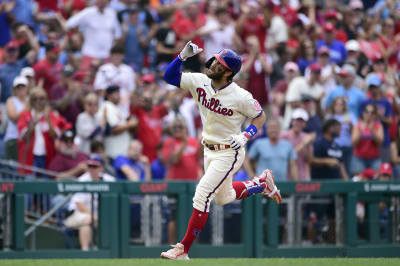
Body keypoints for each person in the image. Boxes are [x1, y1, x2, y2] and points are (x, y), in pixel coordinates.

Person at [161, 41, 281, 260]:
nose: (214, 63)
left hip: (229, 151)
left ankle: (182, 249)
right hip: (209, 150)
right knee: (224, 198)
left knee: (202, 194)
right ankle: (260, 184)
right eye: (215, 59)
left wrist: (246, 134)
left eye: (220, 62)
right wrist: (181, 57)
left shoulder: (240, 96)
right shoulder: (200, 81)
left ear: (228, 72)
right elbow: (169, 77)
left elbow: (260, 116)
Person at [63, 154, 115, 251]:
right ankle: (87, 251)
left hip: (96, 218)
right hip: (75, 215)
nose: (91, 169)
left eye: (95, 166)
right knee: (88, 219)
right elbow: (80, 206)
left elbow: (114, 202)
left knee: (89, 223)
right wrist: (96, 217)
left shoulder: (109, 180)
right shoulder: (82, 180)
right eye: (89, 166)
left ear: (101, 168)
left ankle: (94, 250)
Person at [4, 76, 28, 161]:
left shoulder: (29, 101)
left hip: (27, 140)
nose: (21, 89)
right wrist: (27, 106)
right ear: (15, 89)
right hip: (13, 139)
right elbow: (13, 117)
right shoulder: (11, 100)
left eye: (23, 86)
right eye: (18, 87)